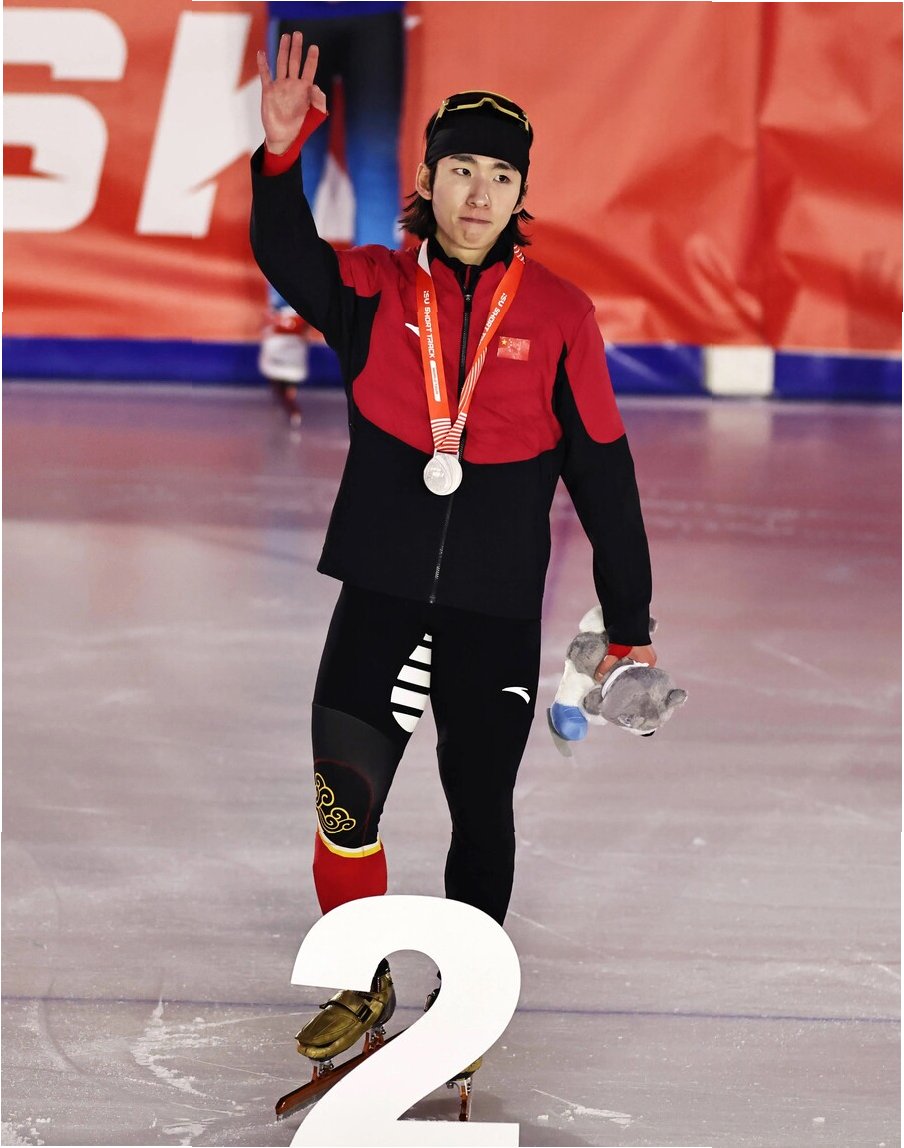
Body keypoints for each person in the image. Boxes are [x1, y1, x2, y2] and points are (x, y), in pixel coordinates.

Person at [251, 32, 656, 1077]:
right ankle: (362, 982)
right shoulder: (371, 289)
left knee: (481, 816)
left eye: (500, 176)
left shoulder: (560, 316)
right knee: (344, 802)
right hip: (379, 598)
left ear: (521, 193)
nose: (479, 194)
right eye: (461, 169)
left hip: (492, 614)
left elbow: (604, 476)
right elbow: (285, 253)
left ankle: (462, 1013)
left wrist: (630, 623)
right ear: (426, 180)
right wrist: (282, 156)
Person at [258, 2, 404, 426]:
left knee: (373, 162)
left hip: (373, 11)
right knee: (296, 151)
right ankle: (287, 314)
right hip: (305, 10)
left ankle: (380, 318)